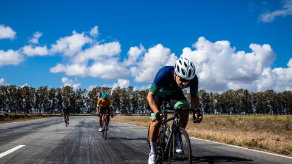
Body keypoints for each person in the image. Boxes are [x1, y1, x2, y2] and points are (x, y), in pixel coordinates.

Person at [146, 56, 203, 164]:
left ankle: (177, 138)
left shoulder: (194, 78)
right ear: (175, 74)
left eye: (187, 81)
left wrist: (196, 112)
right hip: (158, 95)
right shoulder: (164, 73)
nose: (185, 84)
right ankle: (153, 152)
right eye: (182, 80)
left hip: (175, 95)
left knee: (184, 110)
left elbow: (194, 97)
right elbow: (150, 96)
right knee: (156, 121)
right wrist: (157, 112)